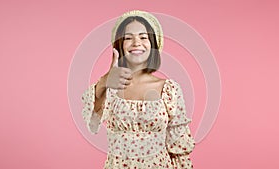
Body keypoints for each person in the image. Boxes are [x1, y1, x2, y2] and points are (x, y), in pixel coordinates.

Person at [82, 10, 195, 168]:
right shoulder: (108, 89)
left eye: (143, 37)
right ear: (119, 45)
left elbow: (178, 147)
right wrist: (105, 81)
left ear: (153, 45)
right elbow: (91, 125)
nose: (136, 43)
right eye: (128, 38)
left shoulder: (169, 90)